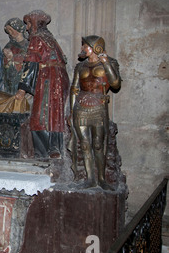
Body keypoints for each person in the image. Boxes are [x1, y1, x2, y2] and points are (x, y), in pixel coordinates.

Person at [69, 35, 121, 190]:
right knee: (84, 144)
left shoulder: (110, 63)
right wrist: (72, 112)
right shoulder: (80, 67)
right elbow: (74, 89)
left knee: (98, 144)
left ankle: (102, 178)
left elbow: (115, 83)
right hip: (81, 107)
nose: (82, 49)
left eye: (85, 46)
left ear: (95, 47)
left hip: (98, 105)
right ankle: (90, 178)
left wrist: (105, 63)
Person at [15, 10, 70, 158]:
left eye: (28, 24)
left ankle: (43, 153)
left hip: (48, 78)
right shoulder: (50, 39)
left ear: (34, 23)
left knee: (40, 116)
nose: (27, 28)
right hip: (60, 78)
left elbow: (31, 64)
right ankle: (54, 148)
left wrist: (22, 89)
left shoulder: (37, 39)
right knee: (55, 114)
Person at [2, 18, 29, 95]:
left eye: (11, 30)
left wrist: (13, 58)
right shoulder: (9, 45)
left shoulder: (28, 45)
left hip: (23, 79)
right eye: (8, 31)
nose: (10, 33)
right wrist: (7, 59)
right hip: (11, 79)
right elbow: (4, 66)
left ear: (17, 28)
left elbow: (30, 61)